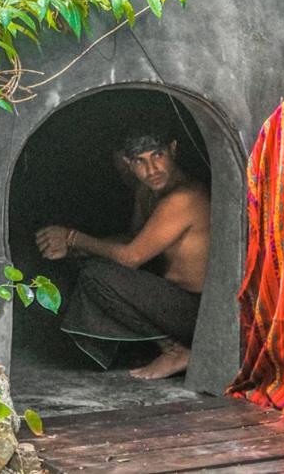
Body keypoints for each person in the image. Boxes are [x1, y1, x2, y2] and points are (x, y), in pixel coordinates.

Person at [35, 127, 210, 380]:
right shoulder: (147, 192)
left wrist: (72, 237)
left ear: (173, 149)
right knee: (92, 264)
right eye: (140, 161)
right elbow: (134, 240)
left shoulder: (184, 197)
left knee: (97, 275)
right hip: (171, 298)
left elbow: (132, 257)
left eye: (158, 155)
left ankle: (175, 351)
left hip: (198, 309)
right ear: (127, 163)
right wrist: (76, 250)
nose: (152, 169)